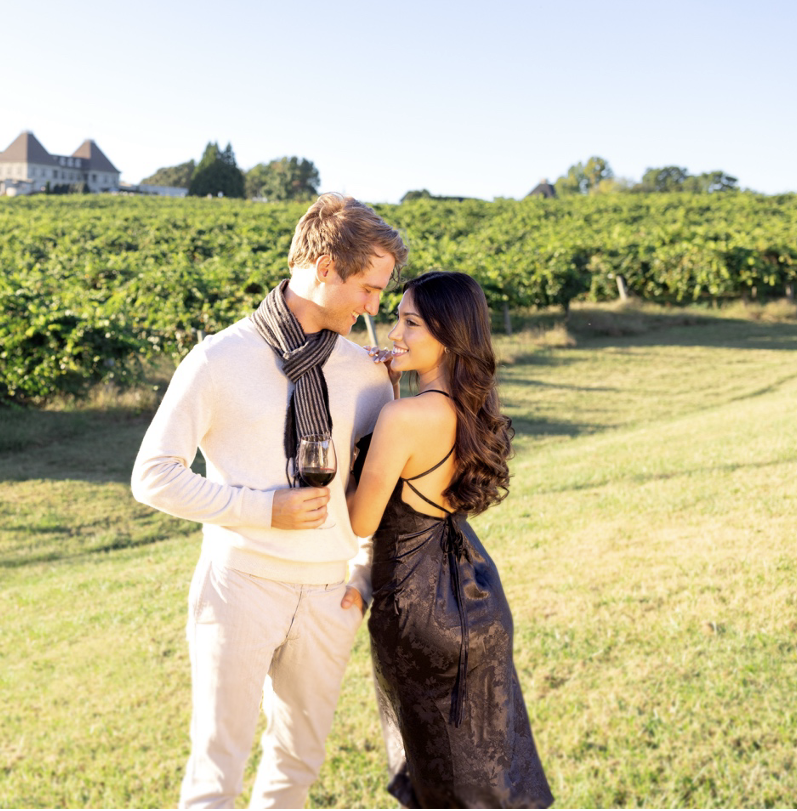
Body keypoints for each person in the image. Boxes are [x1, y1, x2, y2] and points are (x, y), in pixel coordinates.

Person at [131, 194, 409, 809]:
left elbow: (380, 489)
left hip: (329, 596)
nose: (374, 307)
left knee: (299, 762)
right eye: (368, 288)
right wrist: (264, 509)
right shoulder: (217, 359)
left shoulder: (366, 373)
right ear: (324, 267)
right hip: (238, 588)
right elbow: (152, 475)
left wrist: (362, 577)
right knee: (217, 769)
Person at [348, 271, 554, 808]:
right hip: (476, 596)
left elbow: (361, 521)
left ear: (448, 334)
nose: (394, 333)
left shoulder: (403, 417)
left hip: (419, 610)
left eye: (410, 322)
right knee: (490, 774)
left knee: (441, 779)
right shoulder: (468, 407)